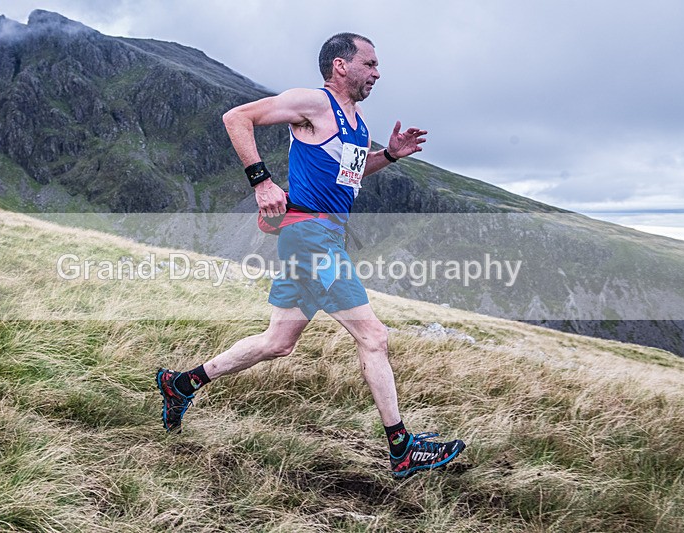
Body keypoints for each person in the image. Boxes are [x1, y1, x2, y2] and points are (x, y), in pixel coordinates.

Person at [157, 33, 465, 478]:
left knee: (277, 343)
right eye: (370, 64)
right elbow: (236, 118)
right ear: (341, 65)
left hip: (322, 238)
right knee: (374, 336)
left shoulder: (356, 122)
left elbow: (349, 173)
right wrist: (261, 182)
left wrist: (390, 156)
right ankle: (402, 448)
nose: (377, 73)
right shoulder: (313, 103)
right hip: (311, 237)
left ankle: (181, 384)